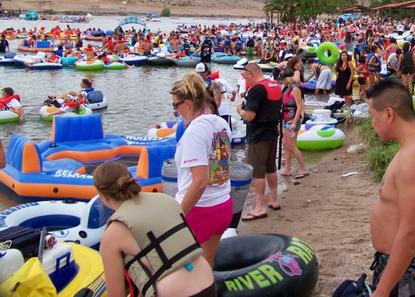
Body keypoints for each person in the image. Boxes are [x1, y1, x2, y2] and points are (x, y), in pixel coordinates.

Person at [367, 79, 415, 297]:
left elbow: (409, 234)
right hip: (409, 264)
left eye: (373, 115)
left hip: (408, 269)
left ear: (389, 114)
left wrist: (381, 292)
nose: (372, 123)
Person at [94, 161, 217, 297]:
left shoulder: (113, 232)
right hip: (207, 281)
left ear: (103, 197)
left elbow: (116, 294)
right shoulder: (166, 199)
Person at [170, 73, 232, 265]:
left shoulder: (195, 132)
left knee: (183, 268)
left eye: (175, 105)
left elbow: (199, 182)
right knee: (207, 263)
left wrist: (177, 216)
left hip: (200, 210)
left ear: (187, 104)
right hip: (222, 204)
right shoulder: (220, 123)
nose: (175, 111)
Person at [236, 62, 282, 220]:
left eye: (245, 75)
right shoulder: (274, 85)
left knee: (258, 172)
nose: (245, 79)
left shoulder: (256, 89)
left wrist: (239, 110)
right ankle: (274, 199)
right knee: (271, 167)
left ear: (250, 73)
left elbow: (249, 116)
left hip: (258, 135)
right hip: (272, 132)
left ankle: (259, 206)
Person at [279, 69, 308, 179]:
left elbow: (299, 106)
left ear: (288, 78)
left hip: (292, 121)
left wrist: (294, 122)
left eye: (283, 79)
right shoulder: (285, 88)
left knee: (291, 146)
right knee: (285, 145)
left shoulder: (295, 89)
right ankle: (287, 169)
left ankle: (304, 169)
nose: (282, 81)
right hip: (285, 119)